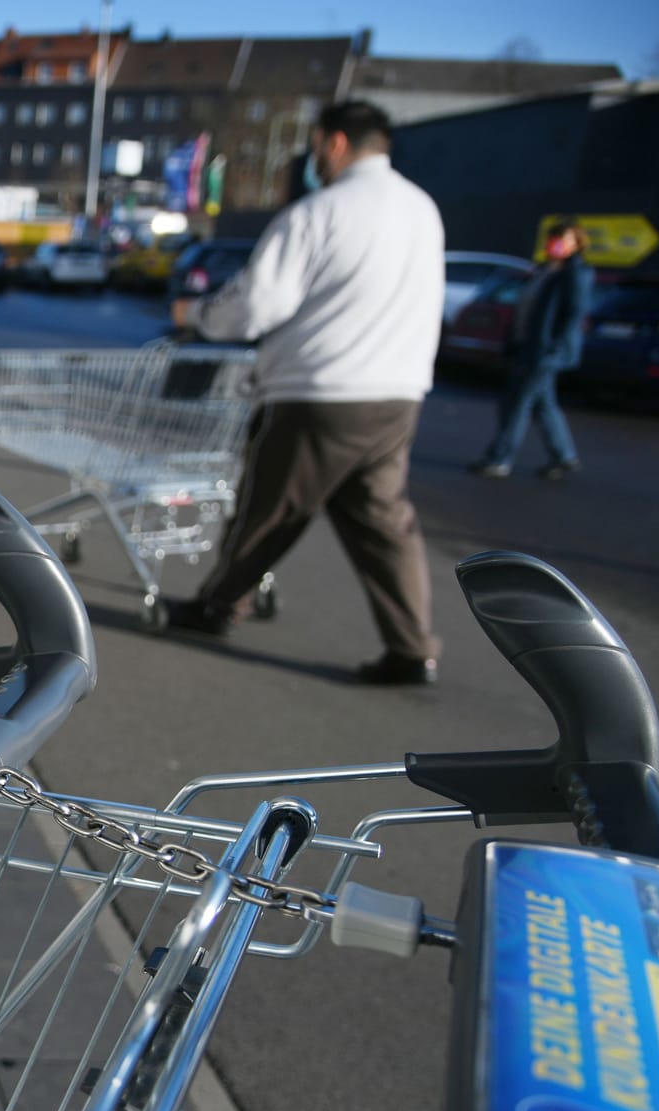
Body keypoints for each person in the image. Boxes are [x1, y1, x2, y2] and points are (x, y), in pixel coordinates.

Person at [167, 100, 446, 686]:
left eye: (315, 144)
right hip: (397, 391)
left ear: (335, 143)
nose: (313, 157)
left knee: (268, 509)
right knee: (382, 522)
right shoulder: (423, 209)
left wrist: (198, 315)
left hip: (321, 390)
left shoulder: (321, 211)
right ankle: (412, 646)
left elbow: (259, 305)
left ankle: (217, 606)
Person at [470, 219, 595, 480]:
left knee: (517, 402)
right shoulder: (544, 270)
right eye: (554, 237)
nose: (556, 243)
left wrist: (554, 348)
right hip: (527, 346)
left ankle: (499, 459)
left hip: (545, 352)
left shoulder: (576, 273)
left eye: (564, 239)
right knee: (544, 404)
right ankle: (564, 456)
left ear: (577, 243)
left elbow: (573, 314)